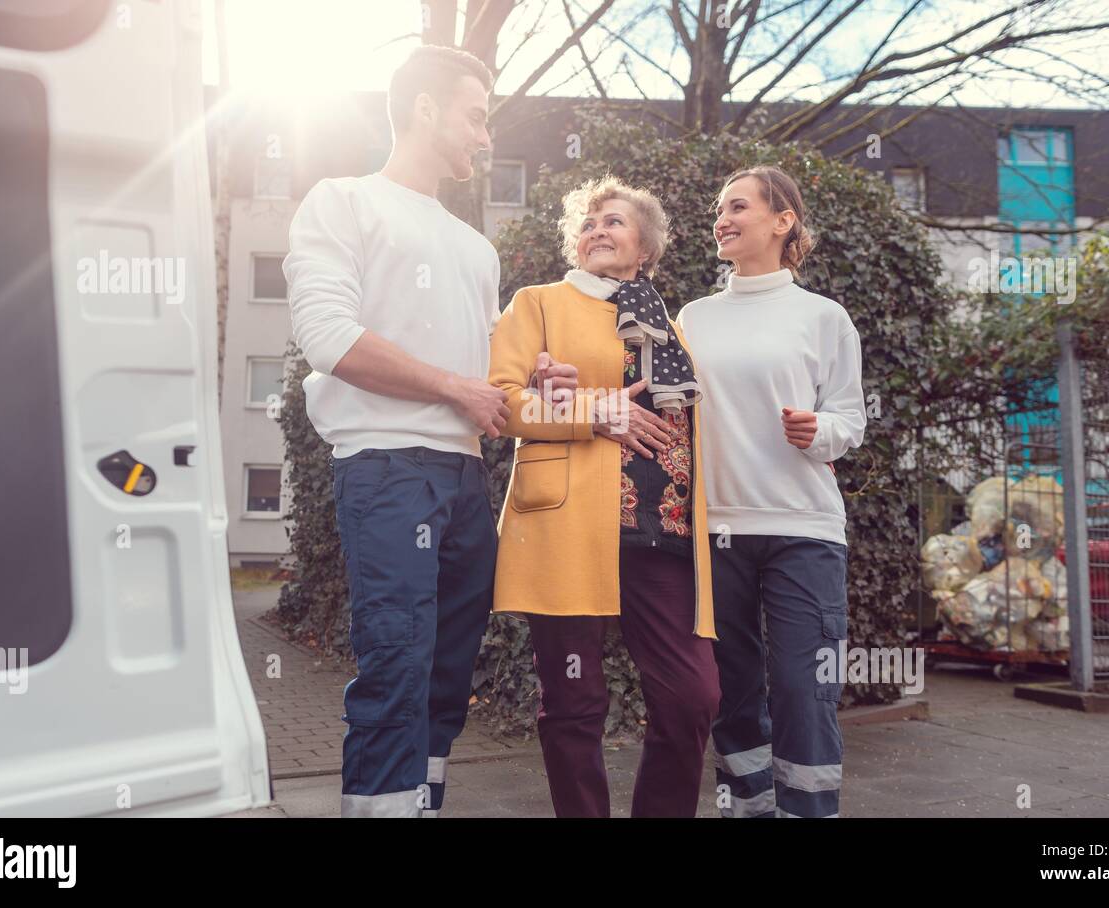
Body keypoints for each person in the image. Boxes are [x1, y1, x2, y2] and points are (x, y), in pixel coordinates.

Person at [283, 45, 509, 818]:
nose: (486, 137)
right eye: (477, 117)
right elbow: (329, 338)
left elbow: (488, 372)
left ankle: (423, 805)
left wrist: (526, 381)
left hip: (466, 478)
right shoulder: (341, 200)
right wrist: (455, 388)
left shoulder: (479, 249)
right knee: (397, 664)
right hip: (385, 468)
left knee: (448, 674)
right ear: (424, 108)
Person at [487, 175, 721, 817]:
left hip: (663, 533)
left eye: (613, 221)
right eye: (588, 223)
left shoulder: (669, 326)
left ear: (644, 247)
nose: (597, 230)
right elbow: (500, 403)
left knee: (692, 697)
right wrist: (591, 410)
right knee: (575, 701)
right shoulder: (537, 304)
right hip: (567, 525)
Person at [678, 165, 866, 818]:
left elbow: (850, 419)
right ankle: (751, 811)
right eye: (718, 210)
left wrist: (820, 431)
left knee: (799, 687)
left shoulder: (823, 317)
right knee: (728, 690)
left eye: (738, 207)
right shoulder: (692, 318)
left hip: (803, 529)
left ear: (782, 221)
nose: (721, 220)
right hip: (715, 530)